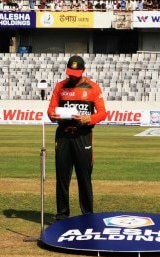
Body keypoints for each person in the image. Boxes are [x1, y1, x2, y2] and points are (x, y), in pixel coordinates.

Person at [47, 55, 107, 220]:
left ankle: (87, 216)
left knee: (84, 177)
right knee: (62, 177)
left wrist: (89, 119)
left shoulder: (93, 87)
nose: (72, 76)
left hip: (83, 135)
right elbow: (51, 110)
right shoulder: (60, 86)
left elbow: (103, 113)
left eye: (75, 73)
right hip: (63, 135)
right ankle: (62, 215)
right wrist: (54, 116)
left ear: (82, 71)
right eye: (70, 73)